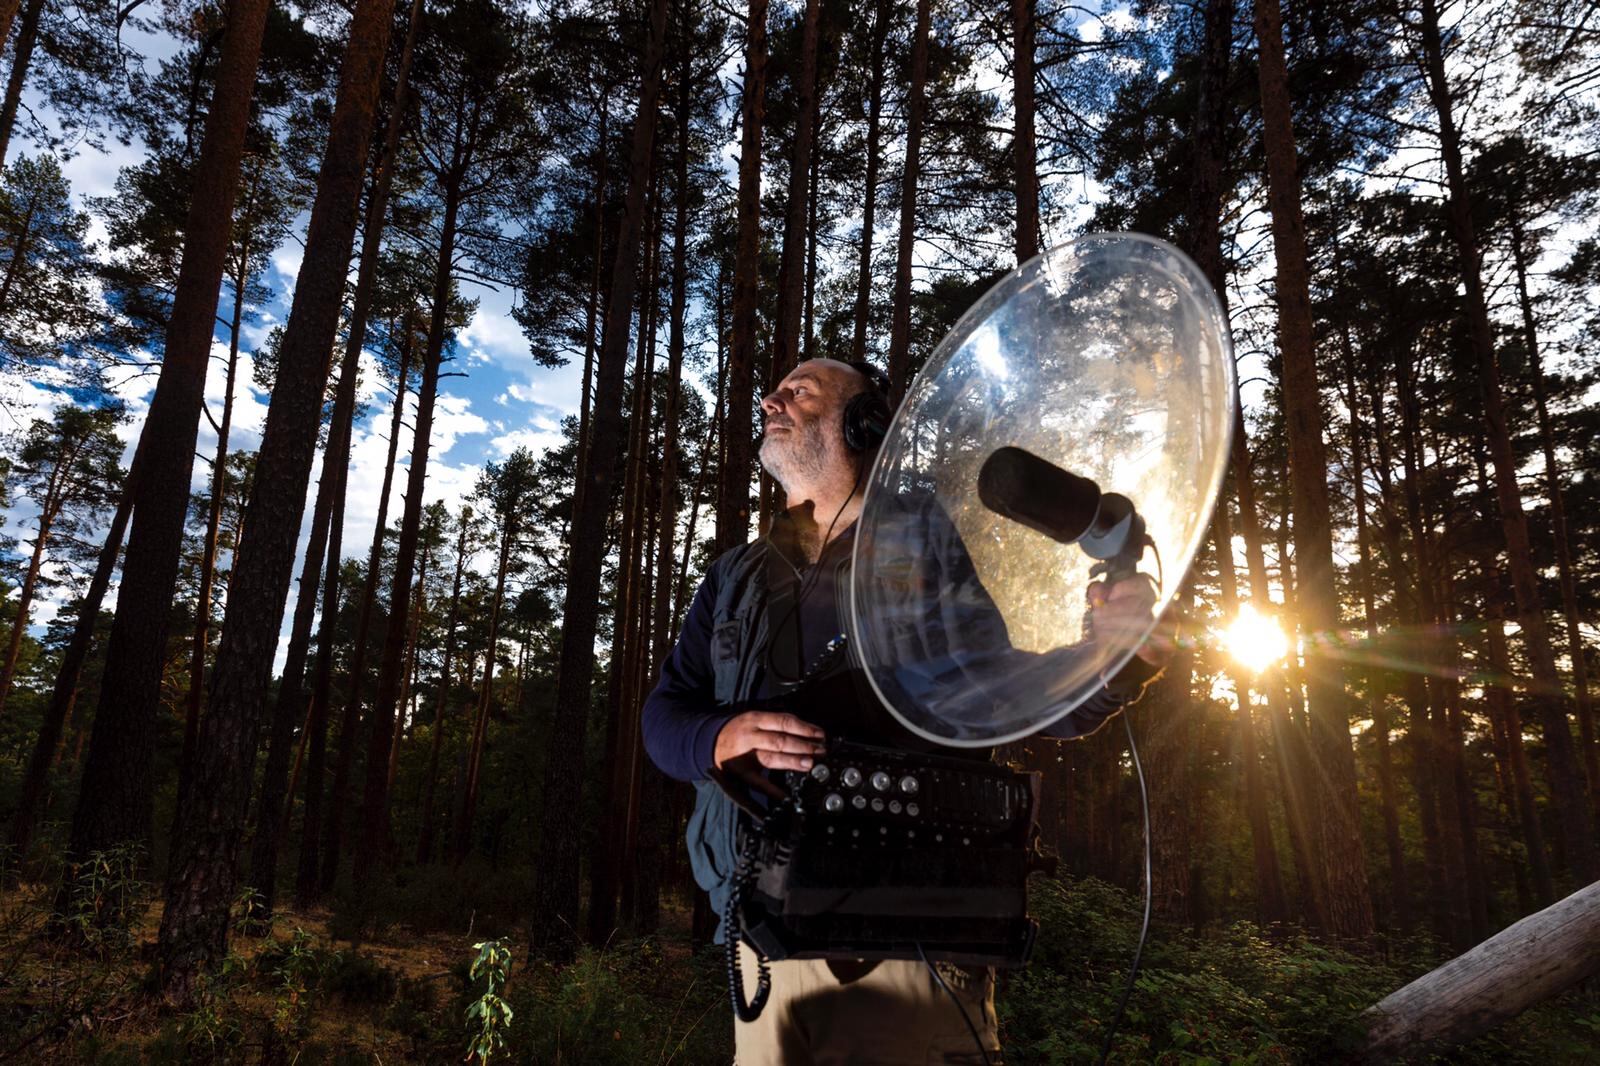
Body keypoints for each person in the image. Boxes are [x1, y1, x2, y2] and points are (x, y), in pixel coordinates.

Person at [642, 357, 1176, 1065]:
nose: (771, 399)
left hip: (907, 939)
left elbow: (993, 691)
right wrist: (720, 735)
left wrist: (1110, 665)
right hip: (762, 945)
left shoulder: (919, 545)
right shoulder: (736, 574)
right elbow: (663, 718)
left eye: (800, 391)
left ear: (862, 424)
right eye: (775, 390)